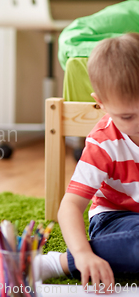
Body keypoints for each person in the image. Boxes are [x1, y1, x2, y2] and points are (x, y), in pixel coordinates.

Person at [39, 33, 139, 291]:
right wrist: (82, 254)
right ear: (101, 104)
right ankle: (62, 262)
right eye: (127, 116)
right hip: (114, 220)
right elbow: (70, 206)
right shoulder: (102, 142)